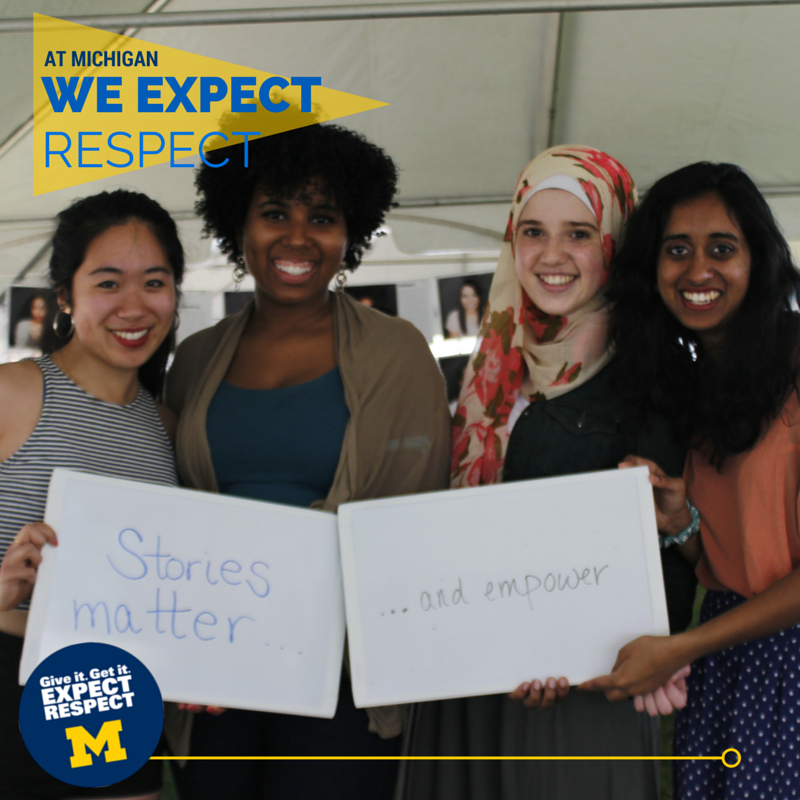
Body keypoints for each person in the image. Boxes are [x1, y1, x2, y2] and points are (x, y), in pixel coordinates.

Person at [164, 122, 451, 800]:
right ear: (239, 226)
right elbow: (172, 507)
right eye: (274, 213)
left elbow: (415, 516)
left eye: (321, 217)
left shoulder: (397, 352)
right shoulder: (196, 359)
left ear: (349, 233)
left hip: (341, 674)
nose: (297, 238)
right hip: (216, 668)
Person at [403, 146, 697, 800]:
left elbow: (684, 552)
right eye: (533, 232)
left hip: (587, 695)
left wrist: (582, 649)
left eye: (579, 233)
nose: (551, 255)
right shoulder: (490, 374)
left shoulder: (656, 379)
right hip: (469, 683)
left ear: (616, 244)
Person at [581, 161, 800, 797]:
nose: (697, 271)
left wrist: (681, 647)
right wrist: (681, 522)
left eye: (722, 249)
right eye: (677, 250)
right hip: (733, 669)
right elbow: (737, 559)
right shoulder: (701, 382)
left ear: (759, 261)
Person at [0, 189, 184, 800]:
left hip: (120, 694)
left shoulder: (166, 424)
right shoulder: (18, 393)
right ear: (64, 297)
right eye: (108, 283)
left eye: (154, 282)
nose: (134, 306)